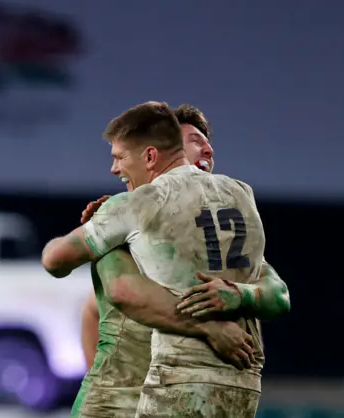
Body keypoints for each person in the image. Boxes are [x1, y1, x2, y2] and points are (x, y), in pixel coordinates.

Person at [42, 102, 282, 417]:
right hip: (119, 401)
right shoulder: (130, 218)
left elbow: (278, 293)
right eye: (194, 140)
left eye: (207, 142)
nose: (207, 149)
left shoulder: (216, 235)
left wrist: (238, 295)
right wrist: (209, 327)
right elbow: (103, 305)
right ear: (163, 151)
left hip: (180, 389)